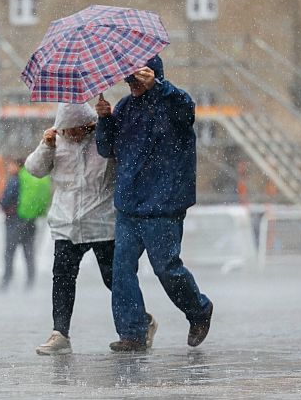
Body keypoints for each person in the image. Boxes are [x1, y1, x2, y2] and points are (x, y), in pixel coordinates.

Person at [95, 55, 214, 352]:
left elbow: (187, 111)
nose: (131, 84)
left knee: (167, 268)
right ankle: (133, 332)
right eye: (128, 79)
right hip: (129, 205)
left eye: (136, 78)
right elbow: (106, 148)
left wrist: (160, 87)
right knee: (121, 270)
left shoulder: (173, 102)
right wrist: (105, 119)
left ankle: (198, 310)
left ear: (151, 74)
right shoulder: (124, 108)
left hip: (164, 204)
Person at [25, 102, 158, 355]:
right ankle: (60, 333)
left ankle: (142, 322)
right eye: (68, 130)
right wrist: (46, 145)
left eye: (78, 130)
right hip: (66, 224)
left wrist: (107, 119)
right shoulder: (55, 142)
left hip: (102, 223)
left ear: (89, 125)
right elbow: (34, 169)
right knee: (62, 280)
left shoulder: (104, 140)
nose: (72, 135)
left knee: (114, 280)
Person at [0, 157, 50, 292]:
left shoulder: (16, 180)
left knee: (10, 252)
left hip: (15, 220)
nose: (9, 168)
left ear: (17, 165)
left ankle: (6, 282)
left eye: (11, 165)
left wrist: (2, 203)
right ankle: (30, 282)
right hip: (30, 220)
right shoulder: (33, 178)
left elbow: (6, 199)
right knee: (28, 252)